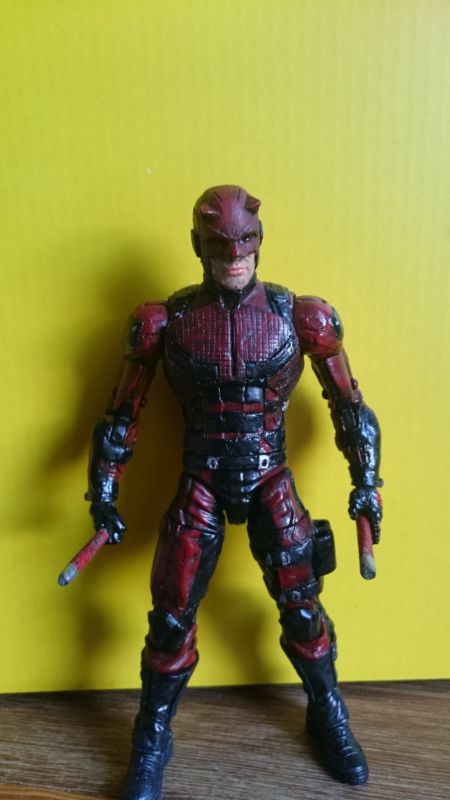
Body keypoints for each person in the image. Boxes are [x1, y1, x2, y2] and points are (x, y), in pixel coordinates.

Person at [86, 185, 382, 800]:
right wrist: (104, 493)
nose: (234, 256)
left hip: (271, 476)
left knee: (303, 607)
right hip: (201, 476)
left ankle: (327, 710)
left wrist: (366, 482)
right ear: (197, 246)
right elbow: (121, 415)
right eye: (220, 245)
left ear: (260, 241)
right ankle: (152, 734)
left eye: (245, 242)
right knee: (170, 618)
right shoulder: (164, 322)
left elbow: (350, 406)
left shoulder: (300, 316)